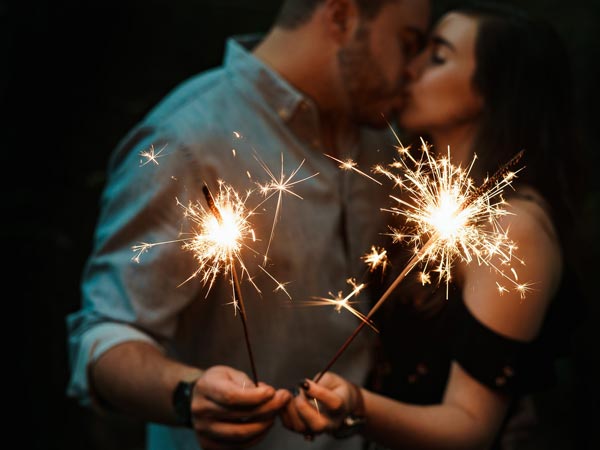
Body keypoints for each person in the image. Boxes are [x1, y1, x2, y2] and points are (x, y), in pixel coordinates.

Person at [66, 1, 430, 449]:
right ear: (340, 17)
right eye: (407, 44)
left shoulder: (380, 140)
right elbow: (103, 335)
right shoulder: (186, 140)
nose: (414, 70)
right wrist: (187, 394)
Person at [281, 2, 584, 449]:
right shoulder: (425, 191)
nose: (409, 68)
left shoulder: (511, 228)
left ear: (492, 91)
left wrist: (357, 404)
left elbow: (471, 427)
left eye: (437, 57)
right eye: (417, 49)